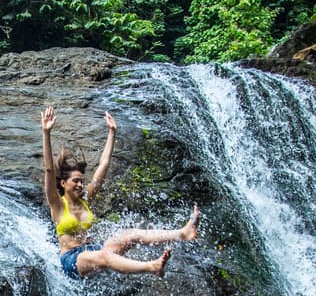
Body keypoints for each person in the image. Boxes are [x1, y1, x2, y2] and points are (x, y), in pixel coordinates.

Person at [41, 105, 200, 277]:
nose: (80, 184)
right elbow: (49, 170)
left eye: (81, 181)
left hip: (93, 250)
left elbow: (103, 165)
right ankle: (152, 267)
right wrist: (46, 133)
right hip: (72, 260)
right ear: (63, 183)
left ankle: (182, 233)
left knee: (131, 234)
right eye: (75, 181)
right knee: (105, 255)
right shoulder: (57, 204)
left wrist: (112, 133)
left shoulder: (85, 199)